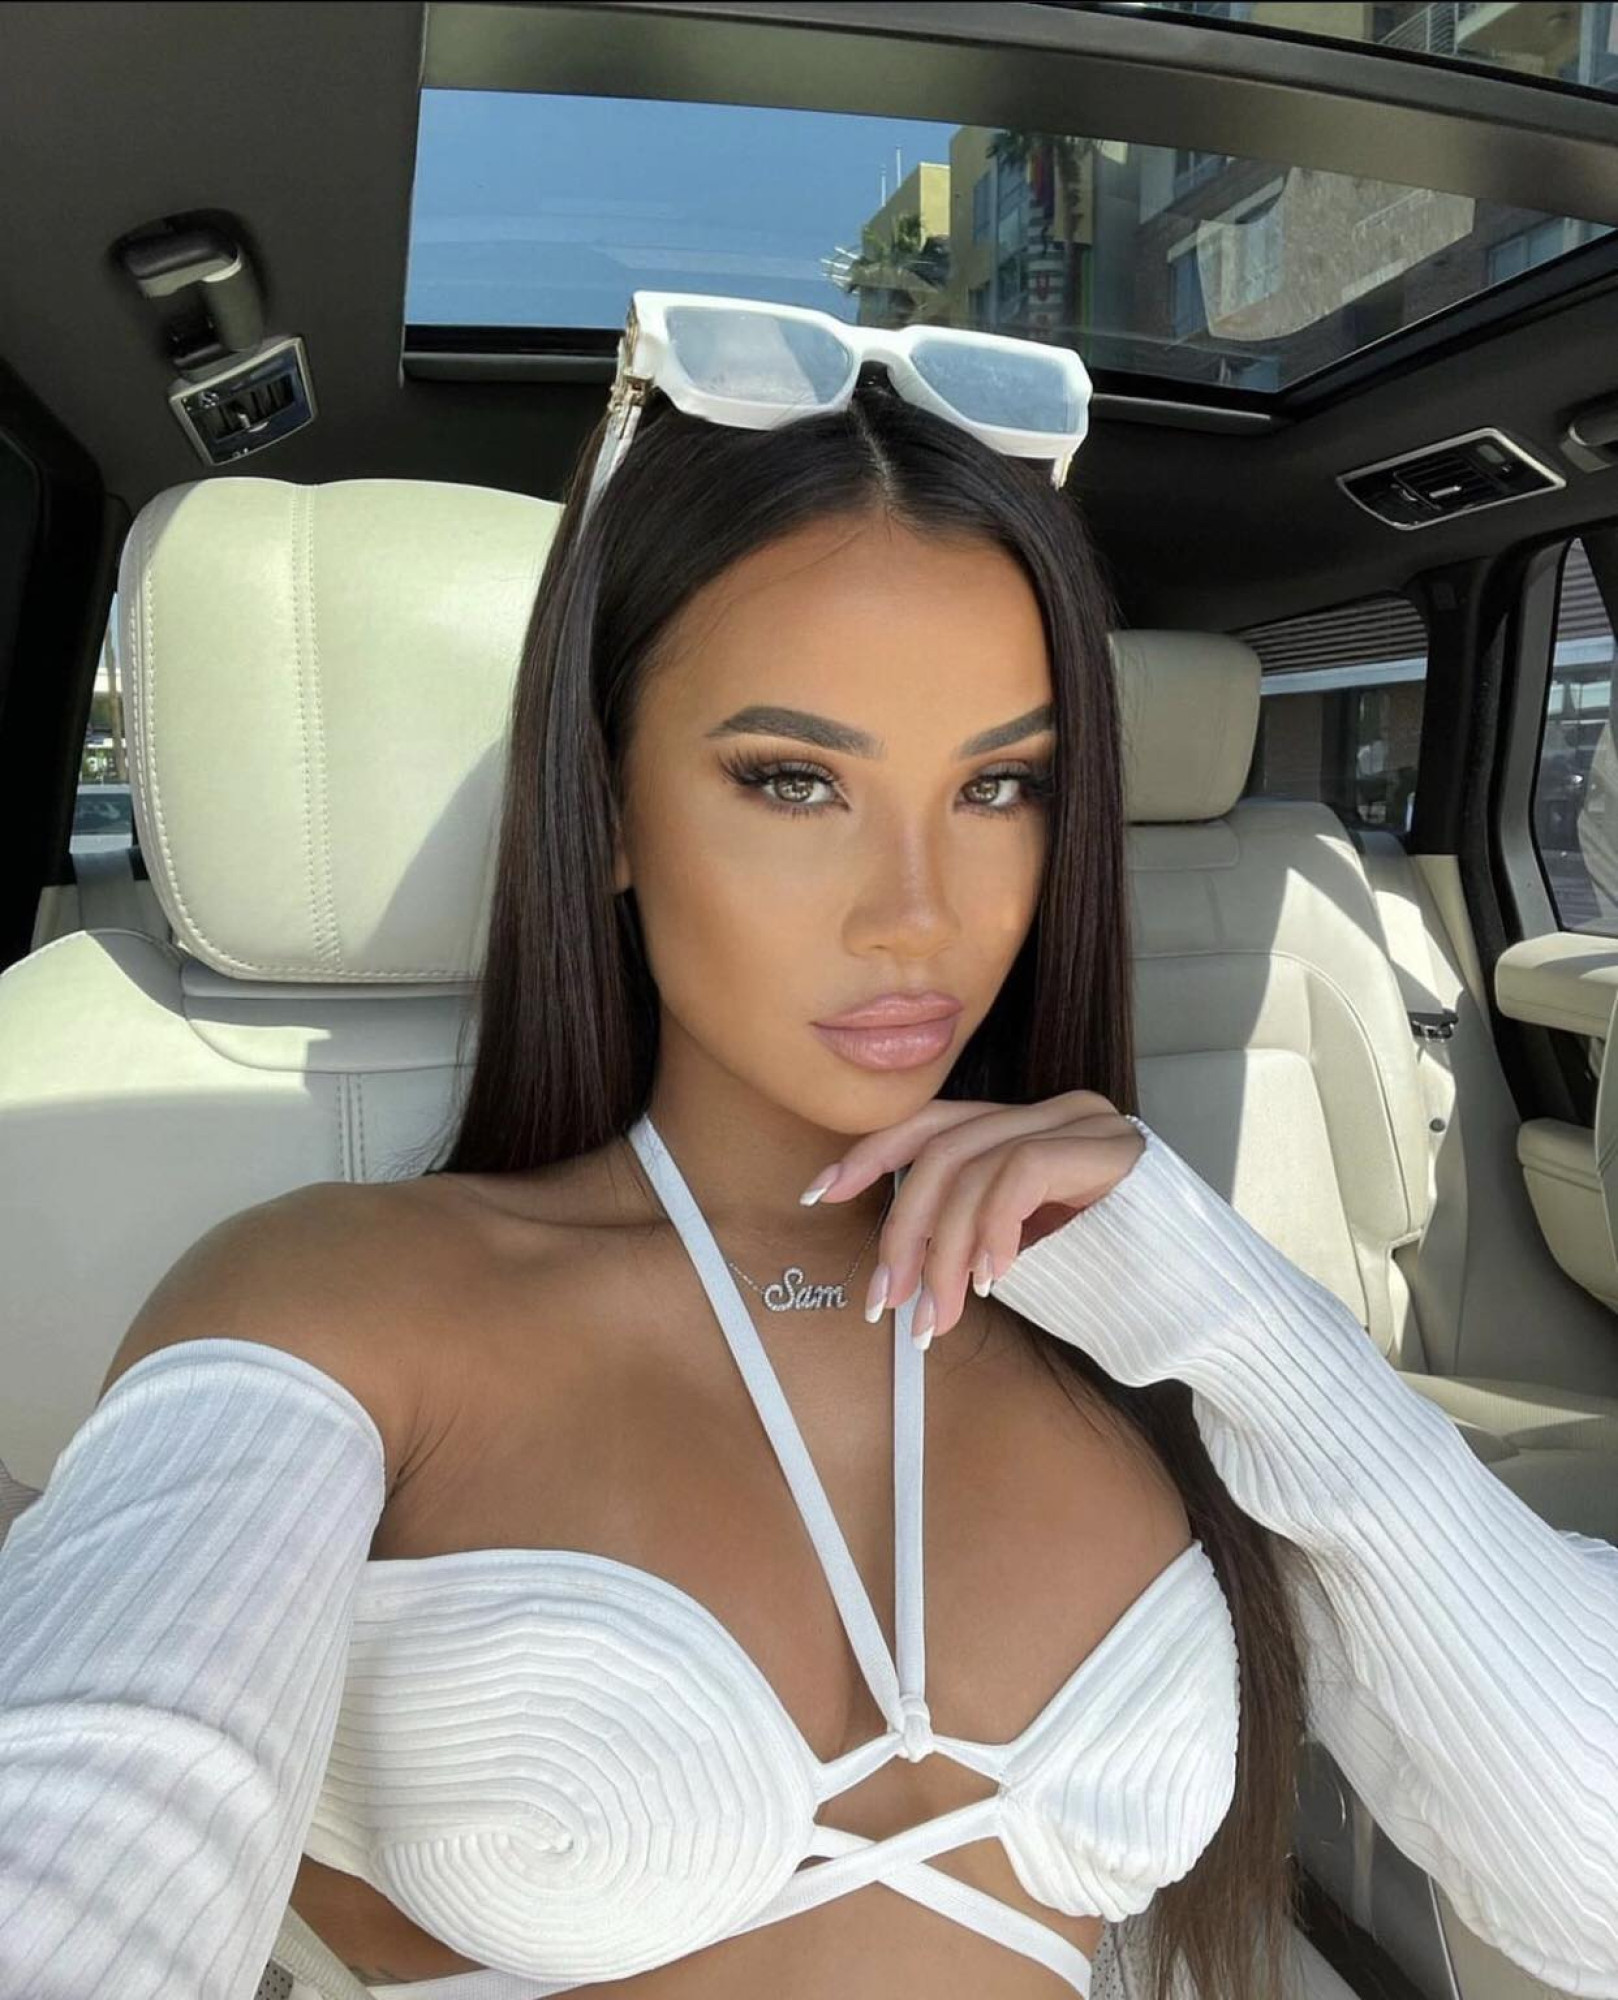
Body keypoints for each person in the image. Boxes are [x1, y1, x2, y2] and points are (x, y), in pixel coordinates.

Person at [2, 293, 1617, 2000]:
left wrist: (1253, 1332)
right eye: (790, 780)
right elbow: (98, 1822)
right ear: (606, 806)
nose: (918, 915)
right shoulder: (346, 1303)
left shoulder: (1145, 1327)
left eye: (1000, 788)